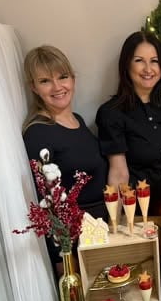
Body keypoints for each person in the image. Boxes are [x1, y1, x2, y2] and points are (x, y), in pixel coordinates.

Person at [22, 45, 108, 277]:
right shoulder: (38, 133)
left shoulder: (78, 120)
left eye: (63, 77)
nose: (58, 87)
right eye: (45, 81)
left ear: (73, 78)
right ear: (33, 87)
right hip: (75, 244)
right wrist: (62, 260)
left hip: (99, 232)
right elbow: (46, 203)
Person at [96, 31, 161, 216]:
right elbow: (119, 175)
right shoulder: (111, 113)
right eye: (139, 60)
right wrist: (116, 227)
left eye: (154, 61)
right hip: (139, 215)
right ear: (126, 65)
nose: (148, 69)